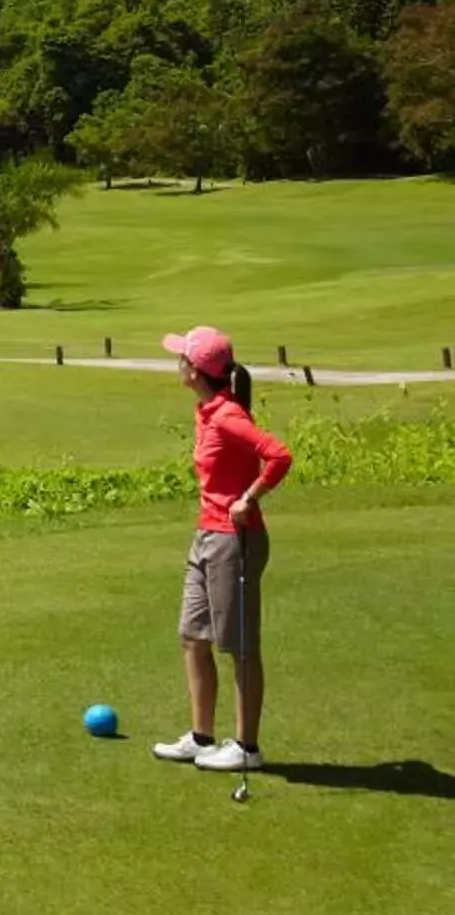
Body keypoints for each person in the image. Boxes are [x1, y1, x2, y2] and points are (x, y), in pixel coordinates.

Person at [150, 325, 292, 774]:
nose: (177, 362)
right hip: (206, 536)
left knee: (239, 647)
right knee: (192, 637)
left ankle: (247, 747)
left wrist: (248, 498)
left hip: (236, 541)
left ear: (194, 370)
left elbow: (280, 456)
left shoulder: (229, 416)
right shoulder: (207, 410)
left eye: (181, 357)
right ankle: (201, 737)